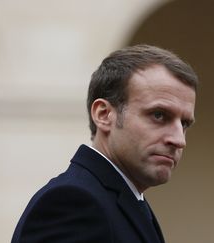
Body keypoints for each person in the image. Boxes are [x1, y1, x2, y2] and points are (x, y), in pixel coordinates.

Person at [11, 44, 198, 243]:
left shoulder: (124, 200)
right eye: (159, 115)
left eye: (184, 123)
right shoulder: (75, 203)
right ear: (103, 115)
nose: (179, 140)